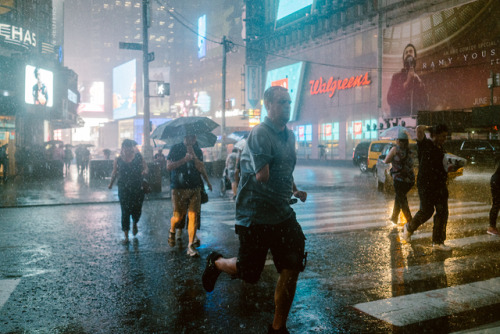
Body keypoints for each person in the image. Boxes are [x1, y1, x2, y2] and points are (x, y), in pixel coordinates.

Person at [202, 86, 308, 334]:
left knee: (292, 265)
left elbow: (285, 170)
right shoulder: (261, 133)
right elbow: (262, 176)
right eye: (282, 102)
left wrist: (293, 189)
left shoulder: (289, 136)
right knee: (250, 273)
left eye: (289, 102)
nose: (287, 106)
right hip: (255, 215)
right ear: (268, 105)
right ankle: (216, 262)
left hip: (281, 214)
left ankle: (278, 327)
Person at [402, 124, 451, 251]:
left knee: (442, 212)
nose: (444, 139)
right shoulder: (426, 144)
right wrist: (431, 128)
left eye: (446, 136)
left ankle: (438, 242)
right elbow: (419, 129)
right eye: (442, 136)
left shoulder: (441, 148)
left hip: (440, 184)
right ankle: (409, 228)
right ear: (434, 135)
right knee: (426, 211)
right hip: (426, 184)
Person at [166, 134, 212, 257]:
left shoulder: (197, 150)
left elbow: (200, 167)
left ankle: (190, 246)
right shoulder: (175, 148)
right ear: (184, 138)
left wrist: (194, 156)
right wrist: (184, 160)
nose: (191, 140)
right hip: (178, 187)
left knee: (193, 216)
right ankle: (172, 230)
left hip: (195, 187)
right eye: (188, 137)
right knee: (178, 216)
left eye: (193, 138)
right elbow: (169, 166)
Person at [108, 139, 148, 243]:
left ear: (132, 148)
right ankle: (126, 236)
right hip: (123, 188)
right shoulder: (118, 159)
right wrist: (111, 183)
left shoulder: (138, 157)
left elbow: (146, 167)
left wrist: (144, 171)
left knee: (137, 208)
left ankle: (135, 222)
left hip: (137, 187)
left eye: (129, 147)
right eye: (125, 147)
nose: (127, 149)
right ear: (122, 148)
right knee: (125, 210)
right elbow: (114, 172)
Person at [387, 43, 428, 117]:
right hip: (401, 119)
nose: (408, 53)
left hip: (416, 121)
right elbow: (390, 99)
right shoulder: (396, 77)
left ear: (415, 57)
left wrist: (418, 82)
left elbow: (425, 102)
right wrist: (407, 82)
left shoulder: (419, 79)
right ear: (403, 59)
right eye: (406, 52)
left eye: (410, 51)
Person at [384, 130, 415, 225]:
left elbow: (386, 161)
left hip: (399, 179)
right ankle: (394, 217)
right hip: (410, 180)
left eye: (397, 139)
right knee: (399, 197)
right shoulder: (410, 150)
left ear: (399, 141)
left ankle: (410, 221)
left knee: (402, 200)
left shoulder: (395, 149)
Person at [487, 164, 500, 236]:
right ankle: (492, 227)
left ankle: (492, 227)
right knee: (497, 203)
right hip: (497, 181)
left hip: (496, 180)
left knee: (497, 203)